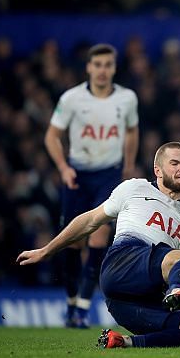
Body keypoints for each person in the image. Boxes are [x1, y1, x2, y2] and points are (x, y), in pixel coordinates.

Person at [17, 142, 180, 348]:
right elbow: (90, 220)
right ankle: (177, 291)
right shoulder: (135, 187)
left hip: (130, 303)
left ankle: (124, 342)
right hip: (123, 263)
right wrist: (47, 250)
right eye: (175, 163)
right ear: (158, 170)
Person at [44, 43, 139, 328]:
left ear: (114, 67)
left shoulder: (127, 98)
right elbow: (52, 136)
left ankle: (83, 308)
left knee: (98, 236)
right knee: (74, 241)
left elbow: (132, 131)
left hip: (108, 175)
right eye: (97, 65)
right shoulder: (72, 98)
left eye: (108, 65)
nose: (102, 70)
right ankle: (72, 302)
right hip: (77, 175)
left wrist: (128, 165)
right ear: (88, 67)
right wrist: (63, 168)